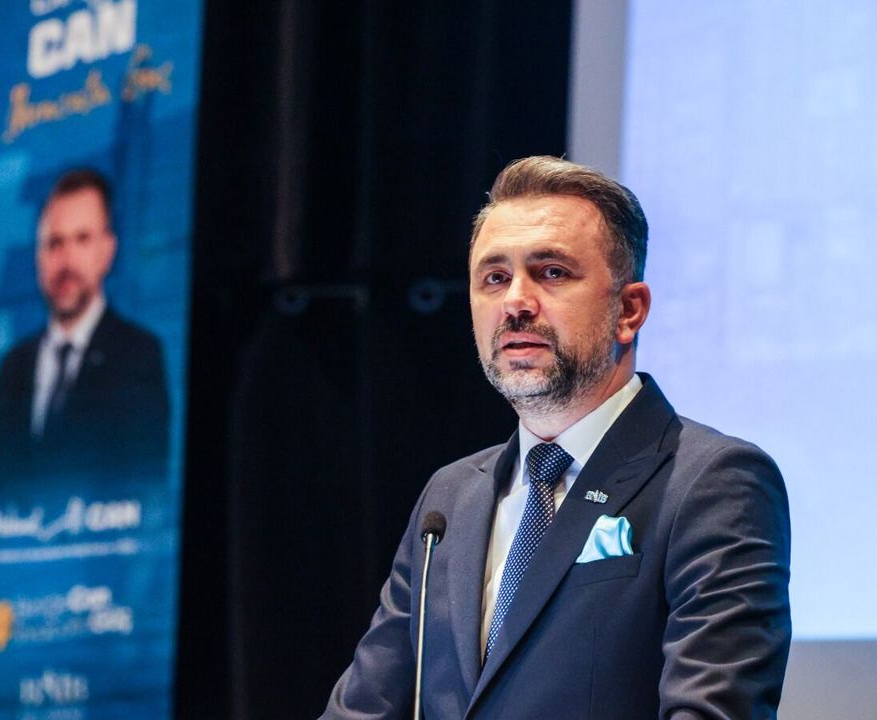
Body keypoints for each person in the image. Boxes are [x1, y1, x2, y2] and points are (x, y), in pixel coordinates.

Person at [320, 156, 790, 719]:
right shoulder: (449, 498)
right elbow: (364, 706)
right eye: (495, 278)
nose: (515, 302)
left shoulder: (714, 484)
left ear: (629, 310)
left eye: (551, 273)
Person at [0, 168, 168, 491]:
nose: (66, 262)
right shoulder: (13, 365)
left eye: (82, 240)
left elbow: (145, 483)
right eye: (54, 243)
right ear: (38, 257)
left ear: (107, 251)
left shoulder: (139, 355)